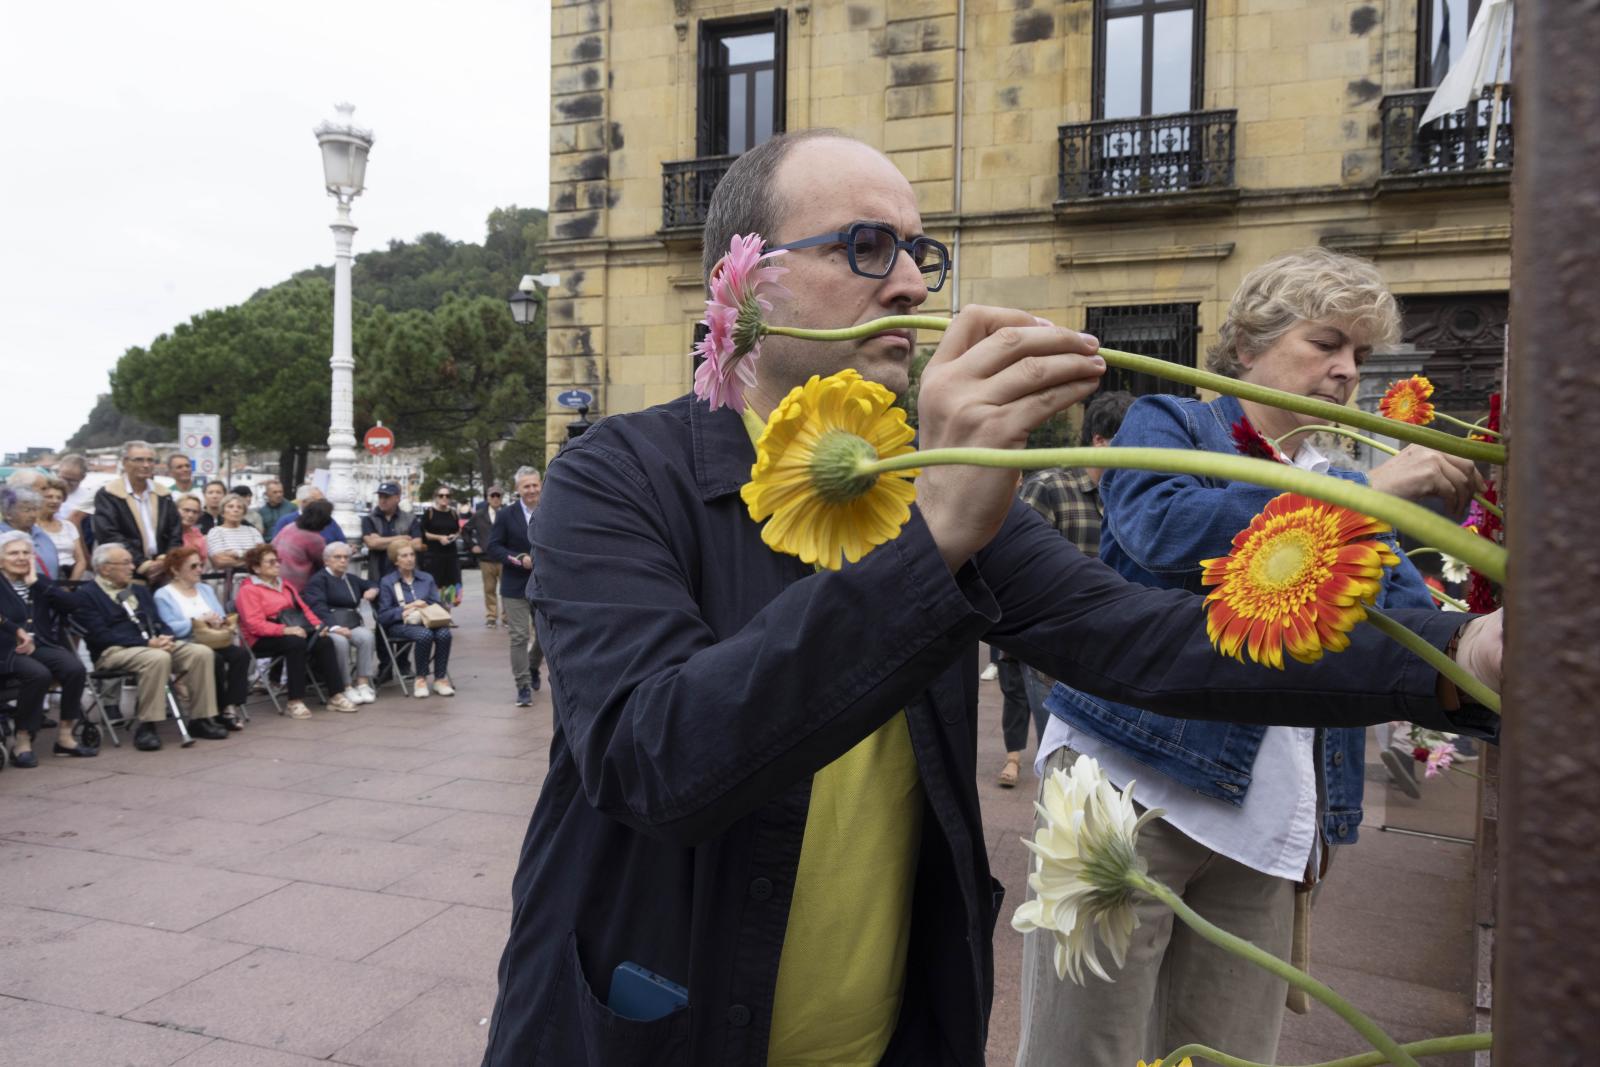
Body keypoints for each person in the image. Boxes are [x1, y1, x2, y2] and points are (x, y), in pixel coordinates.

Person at [479, 130, 1502, 1066]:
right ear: (744, 284)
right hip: (660, 1029)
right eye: (865, 246)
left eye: (921, 252)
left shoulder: (924, 476)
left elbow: (1140, 640)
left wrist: (1461, 660)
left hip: (890, 1028)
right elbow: (650, 754)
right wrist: (933, 540)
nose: (909, 281)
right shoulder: (618, 473)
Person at [1017, 248, 1485, 1067]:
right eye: (1326, 344)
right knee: (1081, 1050)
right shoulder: (1171, 423)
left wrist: (1495, 626)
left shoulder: (1341, 477)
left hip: (1270, 825)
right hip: (1128, 794)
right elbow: (1161, 530)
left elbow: (1412, 617)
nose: (1346, 373)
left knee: (1226, 1055)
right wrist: (1366, 497)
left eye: (1362, 358)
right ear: (1247, 348)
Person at [994, 390, 1136, 788]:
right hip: (1052, 659)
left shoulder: (1132, 499)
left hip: (1113, 654)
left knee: (1104, 775)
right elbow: (1015, 570)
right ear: (1100, 442)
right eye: (1132, 445)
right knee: (1060, 769)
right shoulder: (1049, 488)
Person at [69, 543, 226, 751]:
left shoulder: (139, 591)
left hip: (153, 645)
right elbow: (100, 636)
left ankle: (201, 719)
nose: (132, 567)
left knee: (201, 653)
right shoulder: (86, 594)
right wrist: (147, 643)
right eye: (126, 563)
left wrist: (166, 637)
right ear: (105, 568)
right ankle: (148, 725)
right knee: (156, 658)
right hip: (114, 651)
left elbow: (160, 622)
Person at [0, 531, 96, 766]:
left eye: (26, 553)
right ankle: (22, 740)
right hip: (6, 648)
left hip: (39, 644)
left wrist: (39, 583)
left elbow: (75, 605)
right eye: (13, 553)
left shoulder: (38, 581)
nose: (21, 557)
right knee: (38, 674)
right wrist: (15, 630)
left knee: (74, 668)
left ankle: (65, 737)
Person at [235, 543, 355, 718]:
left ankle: (335, 695)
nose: (277, 565)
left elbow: (304, 609)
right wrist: (285, 630)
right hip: (260, 638)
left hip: (292, 630)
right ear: (256, 568)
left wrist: (318, 627)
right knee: (295, 643)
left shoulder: (285, 585)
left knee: (324, 641)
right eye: (270, 562)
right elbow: (254, 624)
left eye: (278, 561)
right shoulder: (248, 590)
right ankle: (294, 701)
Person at [154, 546, 249, 731]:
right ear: (175, 570)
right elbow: (170, 627)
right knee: (215, 659)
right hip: (187, 643)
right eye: (193, 566)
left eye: (201, 565)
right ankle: (219, 710)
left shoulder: (205, 589)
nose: (200, 570)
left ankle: (230, 706)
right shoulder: (163, 595)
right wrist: (196, 621)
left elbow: (220, 614)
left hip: (213, 638)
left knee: (240, 655)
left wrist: (217, 621)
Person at [485, 467, 544, 705]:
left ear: (540, 485)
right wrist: (518, 559)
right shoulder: (506, 515)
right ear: (518, 489)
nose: (531, 490)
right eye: (526, 486)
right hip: (515, 585)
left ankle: (532, 666)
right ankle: (523, 686)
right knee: (519, 635)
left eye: (534, 485)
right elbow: (494, 547)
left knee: (545, 634)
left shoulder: (551, 510)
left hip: (544, 585)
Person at [92, 440, 181, 583]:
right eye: (139, 460)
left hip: (162, 570)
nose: (146, 465)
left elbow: (175, 532)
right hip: (126, 572)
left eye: (150, 460)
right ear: (125, 462)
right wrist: (143, 565)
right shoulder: (109, 494)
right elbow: (108, 534)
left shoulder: (164, 494)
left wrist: (165, 560)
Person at [303, 540, 379, 705]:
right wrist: (335, 627)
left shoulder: (350, 579)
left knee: (366, 637)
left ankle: (363, 682)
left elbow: (372, 583)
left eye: (346, 557)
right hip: (329, 626)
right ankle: (345, 685)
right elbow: (318, 607)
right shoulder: (318, 580)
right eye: (338, 557)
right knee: (340, 642)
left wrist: (373, 589)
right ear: (326, 560)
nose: (343, 561)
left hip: (351, 623)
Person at [377, 542, 454, 699]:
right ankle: (421, 679)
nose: (410, 559)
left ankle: (440, 679)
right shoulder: (388, 581)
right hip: (400, 624)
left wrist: (431, 605)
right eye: (404, 556)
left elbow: (437, 604)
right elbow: (383, 616)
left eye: (412, 555)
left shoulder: (426, 578)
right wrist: (407, 607)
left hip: (429, 620)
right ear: (395, 560)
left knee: (445, 634)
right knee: (424, 635)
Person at [361, 482, 422, 583]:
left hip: (405, 577)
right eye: (380, 497)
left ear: (397, 498)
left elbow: (417, 544)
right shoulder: (369, 519)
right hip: (378, 577)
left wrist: (381, 541)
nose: (382, 500)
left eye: (387, 497)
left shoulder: (410, 518)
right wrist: (402, 538)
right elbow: (372, 543)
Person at [0, 486, 61, 580]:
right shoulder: (2, 536)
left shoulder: (40, 533)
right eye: (26, 510)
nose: (33, 515)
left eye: (35, 509)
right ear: (8, 514)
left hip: (46, 590)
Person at [272, 499, 333, 591]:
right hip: (297, 587)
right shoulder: (315, 539)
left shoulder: (290, 526)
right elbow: (325, 563)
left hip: (275, 579)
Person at [419, 486, 464, 607]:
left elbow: (457, 530)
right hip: (433, 556)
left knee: (450, 585)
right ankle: (436, 614)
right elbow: (423, 533)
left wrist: (454, 536)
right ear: (436, 497)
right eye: (441, 495)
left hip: (450, 555)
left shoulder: (453, 513)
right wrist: (439, 538)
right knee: (435, 584)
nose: (444, 498)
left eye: (447, 496)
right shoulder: (429, 512)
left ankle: (447, 615)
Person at [469, 486, 506, 627]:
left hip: (504, 557)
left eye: (498, 496)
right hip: (486, 558)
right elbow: (466, 530)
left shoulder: (507, 513)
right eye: (493, 496)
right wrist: (473, 546)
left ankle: (507, 617)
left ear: (501, 498)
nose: (495, 498)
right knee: (489, 589)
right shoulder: (479, 515)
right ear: (488, 498)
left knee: (505, 590)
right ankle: (491, 616)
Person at [37, 477, 87, 581]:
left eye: (59, 498)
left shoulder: (68, 526)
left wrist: (71, 584)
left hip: (70, 578)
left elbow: (81, 560)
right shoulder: (32, 528)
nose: (55, 501)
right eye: (49, 497)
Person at [204, 495, 264, 572]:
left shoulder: (253, 531)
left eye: (239, 507)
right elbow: (219, 561)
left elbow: (262, 556)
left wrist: (237, 555)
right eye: (230, 507)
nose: (235, 510)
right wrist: (250, 558)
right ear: (222, 512)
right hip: (227, 579)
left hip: (254, 577)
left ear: (244, 513)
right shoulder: (215, 532)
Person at [269, 486, 348, 543]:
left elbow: (342, 543)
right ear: (303, 502)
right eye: (318, 501)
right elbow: (276, 546)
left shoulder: (329, 521)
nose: (323, 504)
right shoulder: (286, 521)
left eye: (323, 500)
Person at [174, 494, 210, 565]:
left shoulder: (198, 536)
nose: (190, 515)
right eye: (186, 510)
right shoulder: (166, 532)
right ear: (176, 510)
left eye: (195, 512)